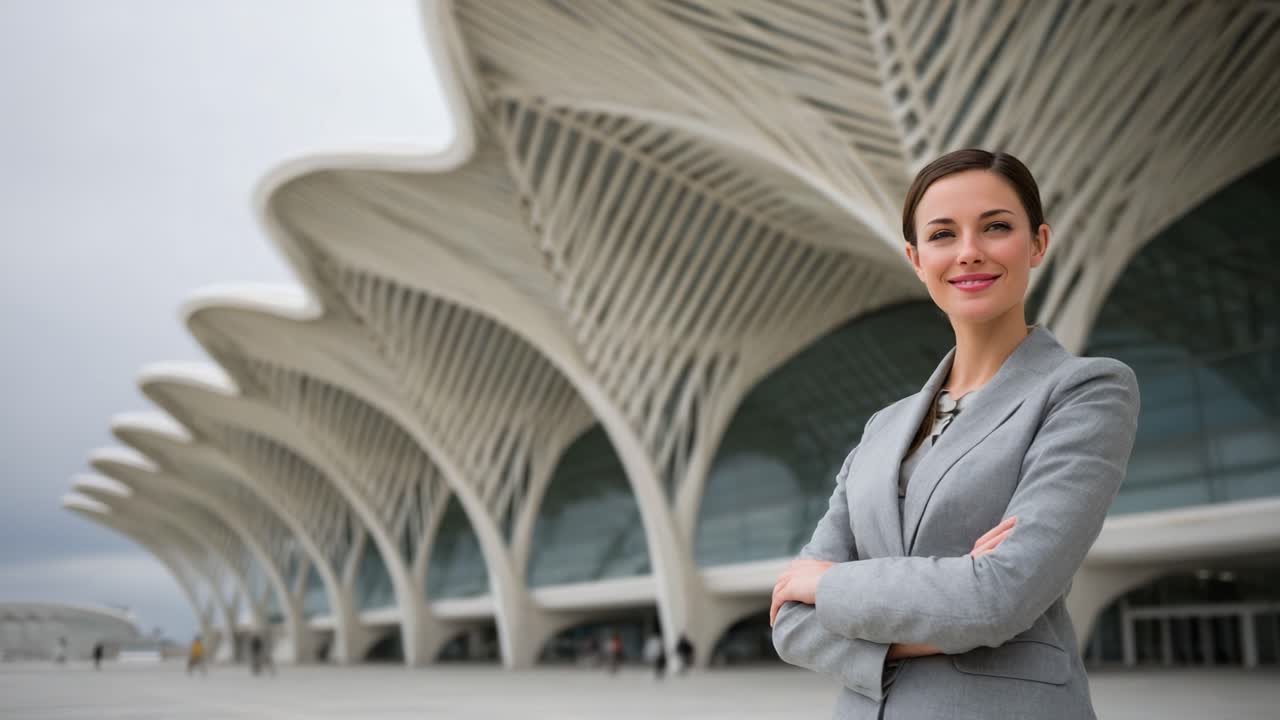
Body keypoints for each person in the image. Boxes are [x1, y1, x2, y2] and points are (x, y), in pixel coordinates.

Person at [769, 149, 1140, 719]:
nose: (970, 251)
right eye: (943, 234)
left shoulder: (1084, 392)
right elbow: (790, 624)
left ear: (1037, 242)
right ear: (917, 259)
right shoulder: (883, 428)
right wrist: (954, 606)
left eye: (996, 227)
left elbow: (997, 596)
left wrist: (829, 585)